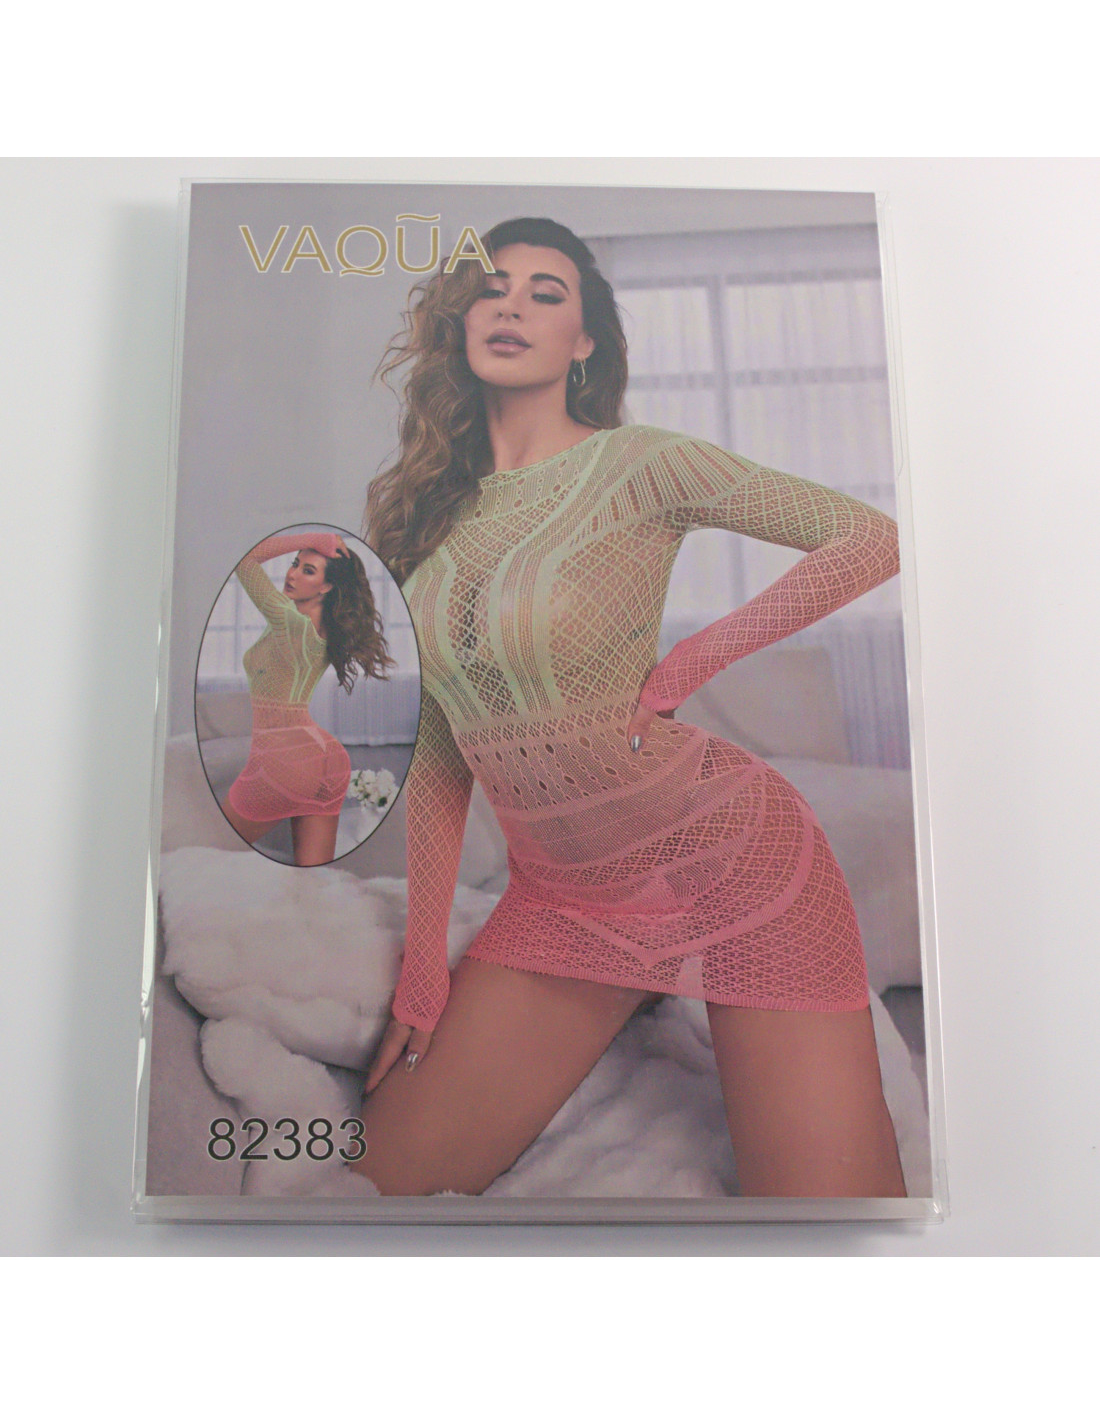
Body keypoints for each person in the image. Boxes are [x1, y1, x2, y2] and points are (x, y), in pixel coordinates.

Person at [355, 216, 906, 1197]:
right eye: (491, 290)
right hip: (561, 900)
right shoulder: (422, 515)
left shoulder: (641, 463)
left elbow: (869, 539)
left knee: (830, 1223)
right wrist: (423, 965)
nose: (512, 308)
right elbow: (440, 745)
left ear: (583, 343)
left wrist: (697, 657)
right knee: (383, 1182)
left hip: (729, 862)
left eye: (545, 294)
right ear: (458, 323)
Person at [220, 531, 395, 867]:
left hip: (283, 758)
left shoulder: (291, 622)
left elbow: (246, 562)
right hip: (327, 759)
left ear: (326, 587)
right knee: (314, 881)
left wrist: (314, 536)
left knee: (211, 854)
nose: (293, 574)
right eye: (295, 564)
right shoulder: (322, 627)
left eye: (308, 571)